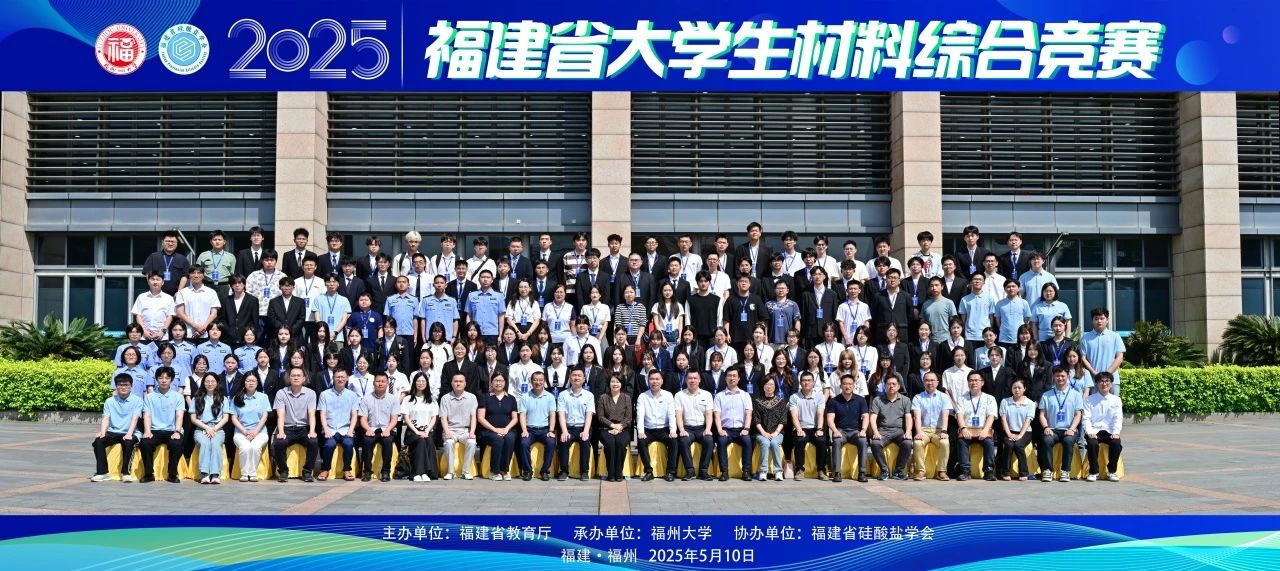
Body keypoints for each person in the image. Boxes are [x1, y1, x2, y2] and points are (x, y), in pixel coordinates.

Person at [90, 374, 144, 483]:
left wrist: (129, 434)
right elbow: (106, 418)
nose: (123, 387)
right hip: (113, 431)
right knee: (98, 442)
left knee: (128, 443)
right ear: (116, 386)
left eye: (126, 385)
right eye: (120, 385)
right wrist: (103, 432)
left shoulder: (138, 400)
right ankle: (102, 473)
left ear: (131, 386)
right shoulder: (109, 401)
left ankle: (126, 473)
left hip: (132, 431)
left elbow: (135, 418)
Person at [272, 367, 319, 483]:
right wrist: (281, 431)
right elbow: (280, 415)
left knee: (313, 442)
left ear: (304, 378)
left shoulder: (311, 393)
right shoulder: (281, 393)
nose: (296, 378)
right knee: (278, 443)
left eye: (299, 376)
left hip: (303, 429)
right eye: (293, 375)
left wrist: (312, 431)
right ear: (289, 378)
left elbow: (312, 414)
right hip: (287, 428)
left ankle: (307, 472)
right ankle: (283, 471)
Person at [1038, 367, 1085, 483]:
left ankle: (1065, 471)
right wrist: (1046, 427)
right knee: (1046, 440)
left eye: (1063, 376)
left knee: (1068, 441)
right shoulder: (1046, 395)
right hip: (1052, 429)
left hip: (1069, 429)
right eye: (1057, 376)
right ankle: (1047, 470)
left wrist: (1072, 429)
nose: (1060, 378)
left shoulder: (1076, 394)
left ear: (1068, 376)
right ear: (1053, 377)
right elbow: (1042, 414)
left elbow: (1078, 414)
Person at [138, 367, 184, 483]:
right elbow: (147, 415)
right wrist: (147, 431)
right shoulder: (149, 397)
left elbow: (179, 415)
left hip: (172, 430)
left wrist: (177, 431)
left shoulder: (178, 396)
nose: (164, 380)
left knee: (176, 444)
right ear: (156, 379)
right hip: (154, 430)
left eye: (167, 378)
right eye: (160, 378)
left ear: (171, 380)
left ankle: (172, 474)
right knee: (145, 443)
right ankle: (149, 474)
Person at [954, 371, 999, 481]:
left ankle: (988, 471)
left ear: (982, 382)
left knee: (989, 443)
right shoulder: (962, 398)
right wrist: (963, 428)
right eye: (971, 380)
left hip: (983, 429)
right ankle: (965, 471)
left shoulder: (990, 398)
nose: (973, 383)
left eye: (976, 380)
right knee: (961, 442)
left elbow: (991, 416)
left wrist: (985, 430)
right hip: (967, 429)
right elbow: (959, 415)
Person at [357, 372, 401, 482]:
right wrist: (367, 429)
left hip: (388, 428)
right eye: (378, 381)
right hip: (371, 428)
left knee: (387, 441)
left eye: (383, 381)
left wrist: (388, 430)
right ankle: (367, 471)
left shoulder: (393, 399)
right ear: (373, 383)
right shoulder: (366, 399)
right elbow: (362, 419)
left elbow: (394, 419)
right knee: (367, 441)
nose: (380, 384)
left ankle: (385, 471)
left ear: (387, 383)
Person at [317, 368, 359, 481]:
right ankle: (325, 469)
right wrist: (326, 430)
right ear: (333, 378)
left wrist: (351, 430)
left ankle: (347, 469)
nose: (340, 379)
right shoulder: (324, 394)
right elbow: (322, 414)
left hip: (346, 429)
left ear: (347, 378)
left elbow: (354, 414)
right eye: (337, 377)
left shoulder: (352, 395)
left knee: (348, 444)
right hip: (330, 429)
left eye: (342, 377)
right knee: (329, 445)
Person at [636, 370, 679, 482]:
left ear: (662, 381)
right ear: (648, 381)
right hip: (648, 429)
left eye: (657, 379)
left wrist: (673, 430)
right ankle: (648, 471)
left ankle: (670, 472)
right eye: (652, 379)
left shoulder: (668, 395)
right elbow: (640, 416)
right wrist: (640, 431)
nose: (654, 381)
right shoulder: (642, 396)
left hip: (664, 429)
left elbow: (671, 414)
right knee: (641, 441)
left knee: (674, 441)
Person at [868, 376, 913, 481]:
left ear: (899, 386)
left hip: (899, 431)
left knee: (907, 443)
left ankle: (898, 471)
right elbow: (873, 418)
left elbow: (908, 417)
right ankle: (884, 471)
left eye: (894, 384)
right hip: (883, 431)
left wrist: (908, 431)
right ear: (885, 386)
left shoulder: (905, 400)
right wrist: (875, 432)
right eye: (888, 384)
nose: (891, 386)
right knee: (875, 443)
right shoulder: (878, 400)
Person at [826, 374, 869, 483]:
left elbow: (865, 416)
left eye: (850, 384)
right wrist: (835, 431)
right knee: (836, 441)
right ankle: (837, 473)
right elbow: (830, 419)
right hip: (841, 431)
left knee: (863, 441)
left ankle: (862, 473)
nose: (847, 386)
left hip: (856, 431)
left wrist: (863, 430)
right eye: (845, 384)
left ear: (854, 386)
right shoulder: (834, 401)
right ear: (840, 386)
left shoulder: (861, 400)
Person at [713, 368, 754, 482]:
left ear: (739, 378)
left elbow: (748, 414)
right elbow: (717, 415)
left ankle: (746, 472)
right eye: (729, 376)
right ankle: (724, 472)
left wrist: (746, 428)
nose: (732, 378)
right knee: (721, 441)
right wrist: (720, 430)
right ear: (725, 378)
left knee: (747, 441)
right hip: (726, 430)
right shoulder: (719, 396)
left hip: (741, 430)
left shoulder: (745, 395)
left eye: (734, 376)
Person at [229, 371, 270, 482]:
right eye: (248, 381)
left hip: (260, 431)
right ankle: (244, 473)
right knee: (245, 447)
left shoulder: (263, 397)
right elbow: (234, 418)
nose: (251, 383)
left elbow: (265, 416)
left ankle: (252, 473)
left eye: (253, 381)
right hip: (241, 432)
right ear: (244, 382)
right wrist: (244, 431)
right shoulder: (237, 398)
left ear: (257, 382)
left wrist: (256, 431)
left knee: (255, 447)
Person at [517, 371, 558, 481]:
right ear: (531, 382)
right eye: (535, 380)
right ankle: (527, 471)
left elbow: (552, 415)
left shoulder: (550, 396)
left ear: (544, 382)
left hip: (545, 430)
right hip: (530, 430)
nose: (538, 382)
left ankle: (544, 471)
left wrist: (551, 430)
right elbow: (522, 415)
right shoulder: (525, 396)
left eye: (540, 380)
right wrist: (524, 430)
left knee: (551, 443)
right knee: (523, 443)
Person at [189, 372, 229, 484]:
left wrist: (214, 428)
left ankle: (215, 474)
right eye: (207, 381)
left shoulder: (223, 399)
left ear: (217, 383)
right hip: (201, 428)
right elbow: (193, 419)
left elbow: (225, 418)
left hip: (218, 429)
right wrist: (207, 428)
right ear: (203, 383)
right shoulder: (196, 398)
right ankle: (205, 474)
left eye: (212, 381)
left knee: (215, 444)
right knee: (205, 443)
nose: (210, 384)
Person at [910, 371, 952, 481]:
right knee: (917, 442)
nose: (930, 383)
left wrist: (944, 431)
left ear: (937, 382)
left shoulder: (944, 397)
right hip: (923, 429)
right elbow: (917, 417)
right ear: (923, 382)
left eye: (932, 380)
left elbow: (945, 415)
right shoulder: (918, 397)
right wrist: (919, 432)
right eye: (927, 380)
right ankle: (920, 471)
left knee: (944, 443)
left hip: (938, 430)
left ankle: (942, 471)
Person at [1083, 372, 1124, 482]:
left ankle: (1112, 471)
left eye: (1107, 381)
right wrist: (1089, 432)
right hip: (1094, 429)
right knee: (1092, 443)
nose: (1104, 384)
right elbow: (1086, 418)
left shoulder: (1116, 400)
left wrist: (1116, 432)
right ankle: (1093, 472)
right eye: (1101, 381)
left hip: (1109, 430)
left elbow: (1118, 418)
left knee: (1116, 443)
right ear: (1096, 383)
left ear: (1111, 384)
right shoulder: (1089, 399)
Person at [477, 373, 518, 481]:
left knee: (510, 438)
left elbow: (515, 418)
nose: (498, 383)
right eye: (496, 380)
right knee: (498, 439)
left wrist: (506, 429)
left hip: (507, 430)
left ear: (505, 382)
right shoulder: (485, 397)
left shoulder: (511, 398)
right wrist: (495, 429)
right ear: (491, 382)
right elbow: (480, 418)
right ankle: (494, 471)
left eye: (501, 381)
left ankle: (504, 470)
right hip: (488, 431)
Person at [788, 372, 828, 481]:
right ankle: (800, 470)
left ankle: (821, 470)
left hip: (815, 427)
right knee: (800, 440)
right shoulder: (794, 397)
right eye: (804, 380)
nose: (806, 383)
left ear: (813, 382)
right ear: (800, 382)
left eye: (809, 380)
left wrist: (819, 429)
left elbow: (820, 414)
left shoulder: (819, 397)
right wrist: (799, 429)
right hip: (801, 427)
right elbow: (794, 416)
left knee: (821, 441)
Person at [557, 368, 595, 481]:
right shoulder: (563, 395)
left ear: (584, 379)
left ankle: (584, 472)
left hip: (583, 427)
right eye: (574, 375)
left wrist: (586, 431)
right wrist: (564, 431)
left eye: (579, 375)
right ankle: (564, 471)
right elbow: (561, 414)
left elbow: (589, 415)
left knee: (585, 442)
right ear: (570, 378)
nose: (576, 378)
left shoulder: (589, 395)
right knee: (563, 441)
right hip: (568, 427)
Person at [440, 372, 479, 480]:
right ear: (452, 383)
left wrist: (472, 432)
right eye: (456, 381)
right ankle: (450, 472)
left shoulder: (472, 397)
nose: (458, 383)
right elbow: (443, 418)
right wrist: (447, 432)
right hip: (450, 430)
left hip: (465, 430)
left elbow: (473, 417)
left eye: (461, 381)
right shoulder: (445, 398)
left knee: (472, 442)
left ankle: (465, 472)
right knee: (449, 442)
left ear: (465, 383)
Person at [1080, 308, 1127, 396]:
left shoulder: (1115, 336)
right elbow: (1083, 358)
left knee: (1113, 404)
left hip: (1112, 380)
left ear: (1107, 320)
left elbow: (1120, 357)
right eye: (1096, 318)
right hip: (1093, 380)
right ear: (1092, 320)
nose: (1099, 321)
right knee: (1093, 404)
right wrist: (1095, 374)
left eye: (1102, 318)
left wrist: (1107, 374)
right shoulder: (1085, 338)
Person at [402, 373, 439, 482]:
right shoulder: (408, 399)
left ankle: (428, 472)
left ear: (427, 383)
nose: (421, 383)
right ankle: (418, 473)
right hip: (412, 432)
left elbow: (434, 417)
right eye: (418, 381)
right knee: (420, 441)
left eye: (423, 381)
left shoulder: (431, 399)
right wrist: (417, 431)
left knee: (428, 440)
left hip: (427, 430)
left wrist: (427, 430)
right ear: (414, 383)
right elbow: (406, 417)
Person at [596, 375, 633, 482]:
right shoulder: (603, 397)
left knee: (621, 443)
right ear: (609, 383)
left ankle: (619, 473)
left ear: (622, 384)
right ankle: (611, 474)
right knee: (610, 443)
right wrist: (612, 425)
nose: (615, 384)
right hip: (606, 428)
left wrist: (620, 427)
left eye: (618, 382)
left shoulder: (626, 398)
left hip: (623, 428)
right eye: (613, 381)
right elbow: (600, 417)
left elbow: (628, 417)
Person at [999, 378, 1036, 481]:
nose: (1017, 390)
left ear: (1024, 389)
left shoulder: (1030, 403)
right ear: (1011, 389)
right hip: (1009, 431)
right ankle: (1005, 472)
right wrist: (1009, 434)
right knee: (1009, 444)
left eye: (1019, 387)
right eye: (1014, 387)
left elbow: (1028, 421)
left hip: (1025, 432)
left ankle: (1024, 473)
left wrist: (1020, 435)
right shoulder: (1005, 401)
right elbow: (1003, 419)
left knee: (1019, 445)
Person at [176, 267, 221, 342]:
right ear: (189, 275)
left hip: (206, 334)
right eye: (193, 273)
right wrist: (196, 326)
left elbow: (214, 314)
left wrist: (203, 328)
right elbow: (180, 313)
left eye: (199, 273)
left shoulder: (211, 292)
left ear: (203, 275)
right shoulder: (182, 292)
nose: (196, 275)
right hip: (188, 333)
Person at [142, 230, 191, 296]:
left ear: (177, 243)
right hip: (156, 294)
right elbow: (147, 273)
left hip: (175, 295)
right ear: (162, 242)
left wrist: (179, 292)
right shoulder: (153, 256)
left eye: (173, 241)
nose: (170, 244)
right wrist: (154, 289)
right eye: (168, 241)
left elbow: (185, 276)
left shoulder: (182, 259)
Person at [132, 272, 176, 345]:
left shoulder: (169, 298)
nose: (155, 282)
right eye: (152, 279)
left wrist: (162, 331)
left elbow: (170, 316)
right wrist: (144, 331)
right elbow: (138, 315)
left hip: (162, 337)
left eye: (158, 279)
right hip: (144, 337)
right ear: (148, 282)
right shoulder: (141, 297)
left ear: (162, 282)